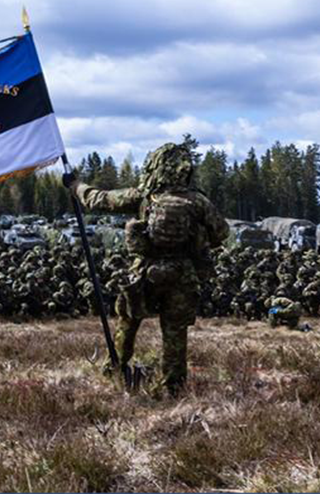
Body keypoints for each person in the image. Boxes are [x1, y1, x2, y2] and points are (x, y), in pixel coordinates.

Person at [67, 139, 228, 395]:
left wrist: (75, 185)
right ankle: (173, 386)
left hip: (144, 272)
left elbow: (99, 199)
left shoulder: (143, 196)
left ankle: (115, 370)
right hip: (182, 275)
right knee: (174, 332)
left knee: (128, 321)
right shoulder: (198, 201)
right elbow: (222, 233)